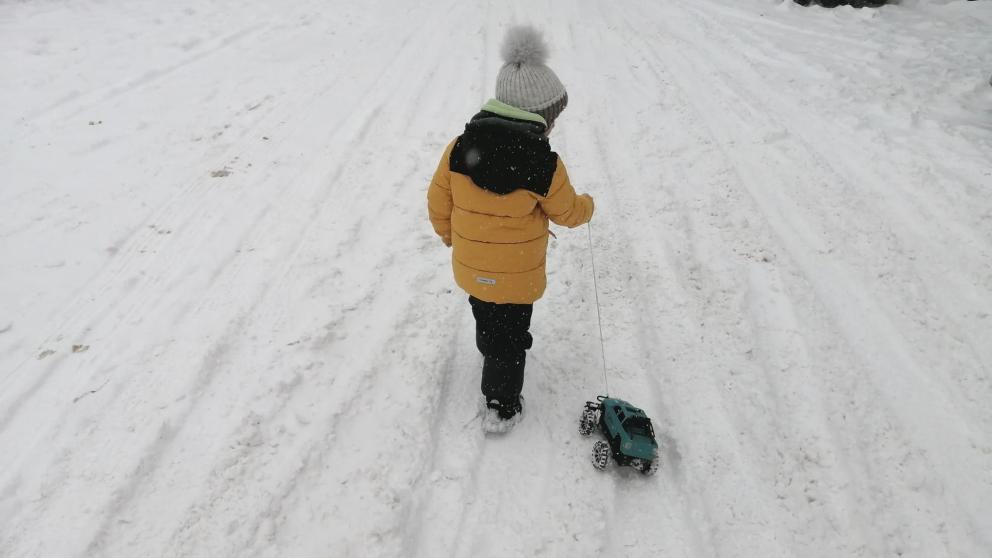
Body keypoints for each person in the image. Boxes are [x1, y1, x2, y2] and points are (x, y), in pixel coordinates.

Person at [427, 25, 594, 433]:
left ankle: (490, 345)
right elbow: (567, 212)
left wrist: (453, 237)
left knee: (485, 311)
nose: (552, 128)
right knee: (512, 334)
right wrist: (588, 207)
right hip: (517, 278)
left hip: (471, 268)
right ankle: (501, 405)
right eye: (551, 119)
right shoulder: (544, 164)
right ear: (539, 117)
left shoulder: (459, 148)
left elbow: (437, 202)